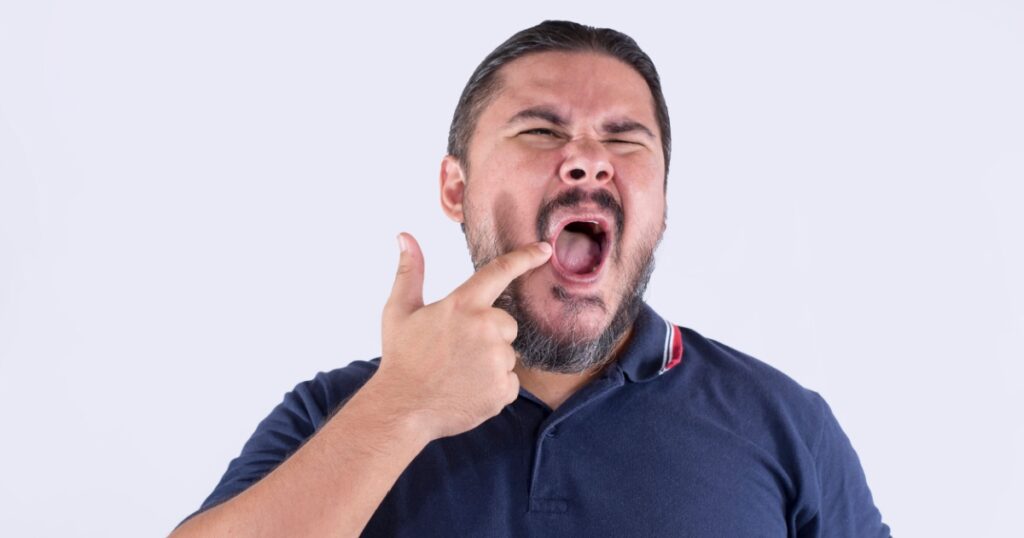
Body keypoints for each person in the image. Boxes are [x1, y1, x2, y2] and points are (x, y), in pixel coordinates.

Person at [171, 20, 891, 537]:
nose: (586, 160)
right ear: (456, 189)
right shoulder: (340, 414)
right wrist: (401, 410)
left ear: (661, 206)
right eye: (540, 132)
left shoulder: (784, 427)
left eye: (623, 138)